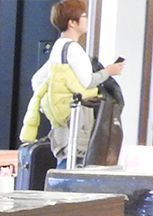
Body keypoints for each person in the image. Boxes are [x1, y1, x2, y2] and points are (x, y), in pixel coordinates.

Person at [21, 0, 125, 168]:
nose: (87, 20)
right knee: (75, 165)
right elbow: (88, 81)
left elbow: (38, 79)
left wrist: (50, 104)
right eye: (83, 16)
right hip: (77, 118)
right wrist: (109, 71)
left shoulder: (59, 46)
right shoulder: (75, 50)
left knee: (65, 160)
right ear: (72, 22)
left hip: (62, 119)